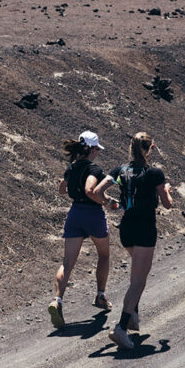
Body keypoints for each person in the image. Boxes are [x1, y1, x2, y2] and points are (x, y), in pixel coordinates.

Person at [94, 132, 173, 350]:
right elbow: (167, 204)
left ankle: (132, 316)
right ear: (151, 148)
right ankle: (121, 326)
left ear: (131, 148)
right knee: (138, 281)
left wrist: (110, 202)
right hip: (145, 229)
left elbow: (97, 190)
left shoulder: (120, 170)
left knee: (137, 277)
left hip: (126, 228)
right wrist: (167, 190)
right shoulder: (155, 173)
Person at [48, 131, 118, 330]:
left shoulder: (71, 168)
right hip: (93, 214)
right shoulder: (93, 168)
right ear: (91, 149)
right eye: (96, 149)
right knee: (104, 255)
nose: (97, 153)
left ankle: (57, 300)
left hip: (75, 213)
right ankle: (101, 296)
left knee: (67, 262)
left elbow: (62, 190)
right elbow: (90, 190)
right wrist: (107, 202)